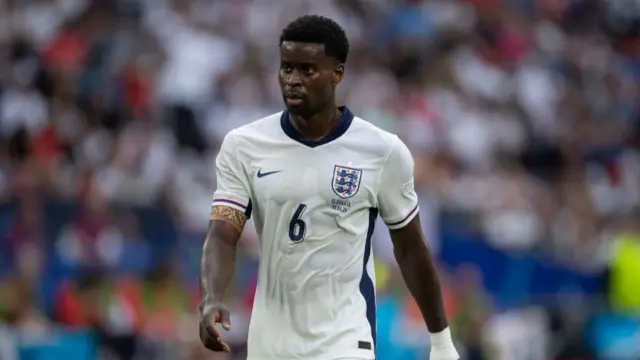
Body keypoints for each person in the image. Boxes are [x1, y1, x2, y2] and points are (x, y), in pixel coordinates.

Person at [198, 14, 459, 360]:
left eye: (307, 70)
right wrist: (211, 296)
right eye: (286, 68)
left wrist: (440, 341)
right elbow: (222, 233)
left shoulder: (382, 151)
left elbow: (410, 248)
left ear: (337, 73)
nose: (292, 80)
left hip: (345, 340)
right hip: (270, 344)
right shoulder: (243, 146)